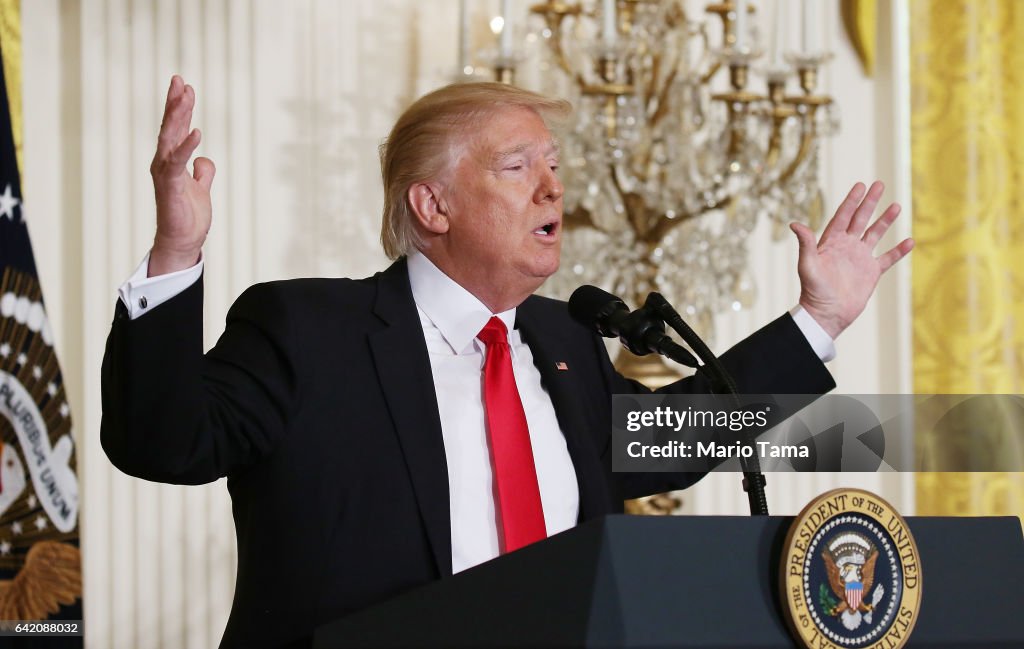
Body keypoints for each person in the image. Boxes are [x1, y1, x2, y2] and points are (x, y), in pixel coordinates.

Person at [101, 76, 913, 649]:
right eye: (519, 167)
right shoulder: (310, 331)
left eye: (555, 166)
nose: (553, 189)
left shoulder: (565, 343)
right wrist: (177, 250)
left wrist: (819, 318)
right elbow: (161, 441)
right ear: (433, 203)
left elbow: (679, 436)